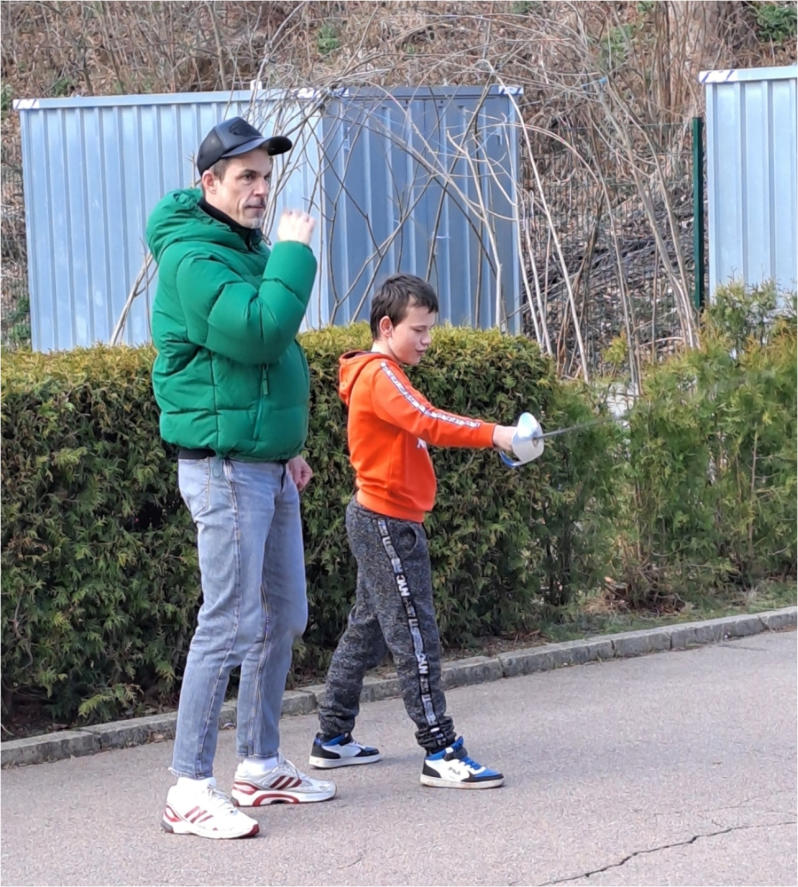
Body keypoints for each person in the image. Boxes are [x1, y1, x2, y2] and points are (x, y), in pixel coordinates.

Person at [147, 116, 335, 840]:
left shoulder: (241, 246)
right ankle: (189, 786)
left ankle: (258, 764)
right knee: (227, 622)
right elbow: (261, 331)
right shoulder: (193, 257)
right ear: (210, 183)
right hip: (223, 469)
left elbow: (256, 368)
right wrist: (293, 252)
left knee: (283, 616)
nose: (260, 189)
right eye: (246, 177)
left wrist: (287, 446)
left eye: (265, 176)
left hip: (266, 464)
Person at [308, 273, 517, 788]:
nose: (427, 340)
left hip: (379, 518)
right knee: (416, 637)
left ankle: (331, 738)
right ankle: (441, 750)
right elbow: (429, 421)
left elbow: (419, 424)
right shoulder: (382, 375)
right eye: (418, 330)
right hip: (387, 523)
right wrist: (498, 434)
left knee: (367, 630)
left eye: (430, 329)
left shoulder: (379, 373)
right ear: (387, 326)